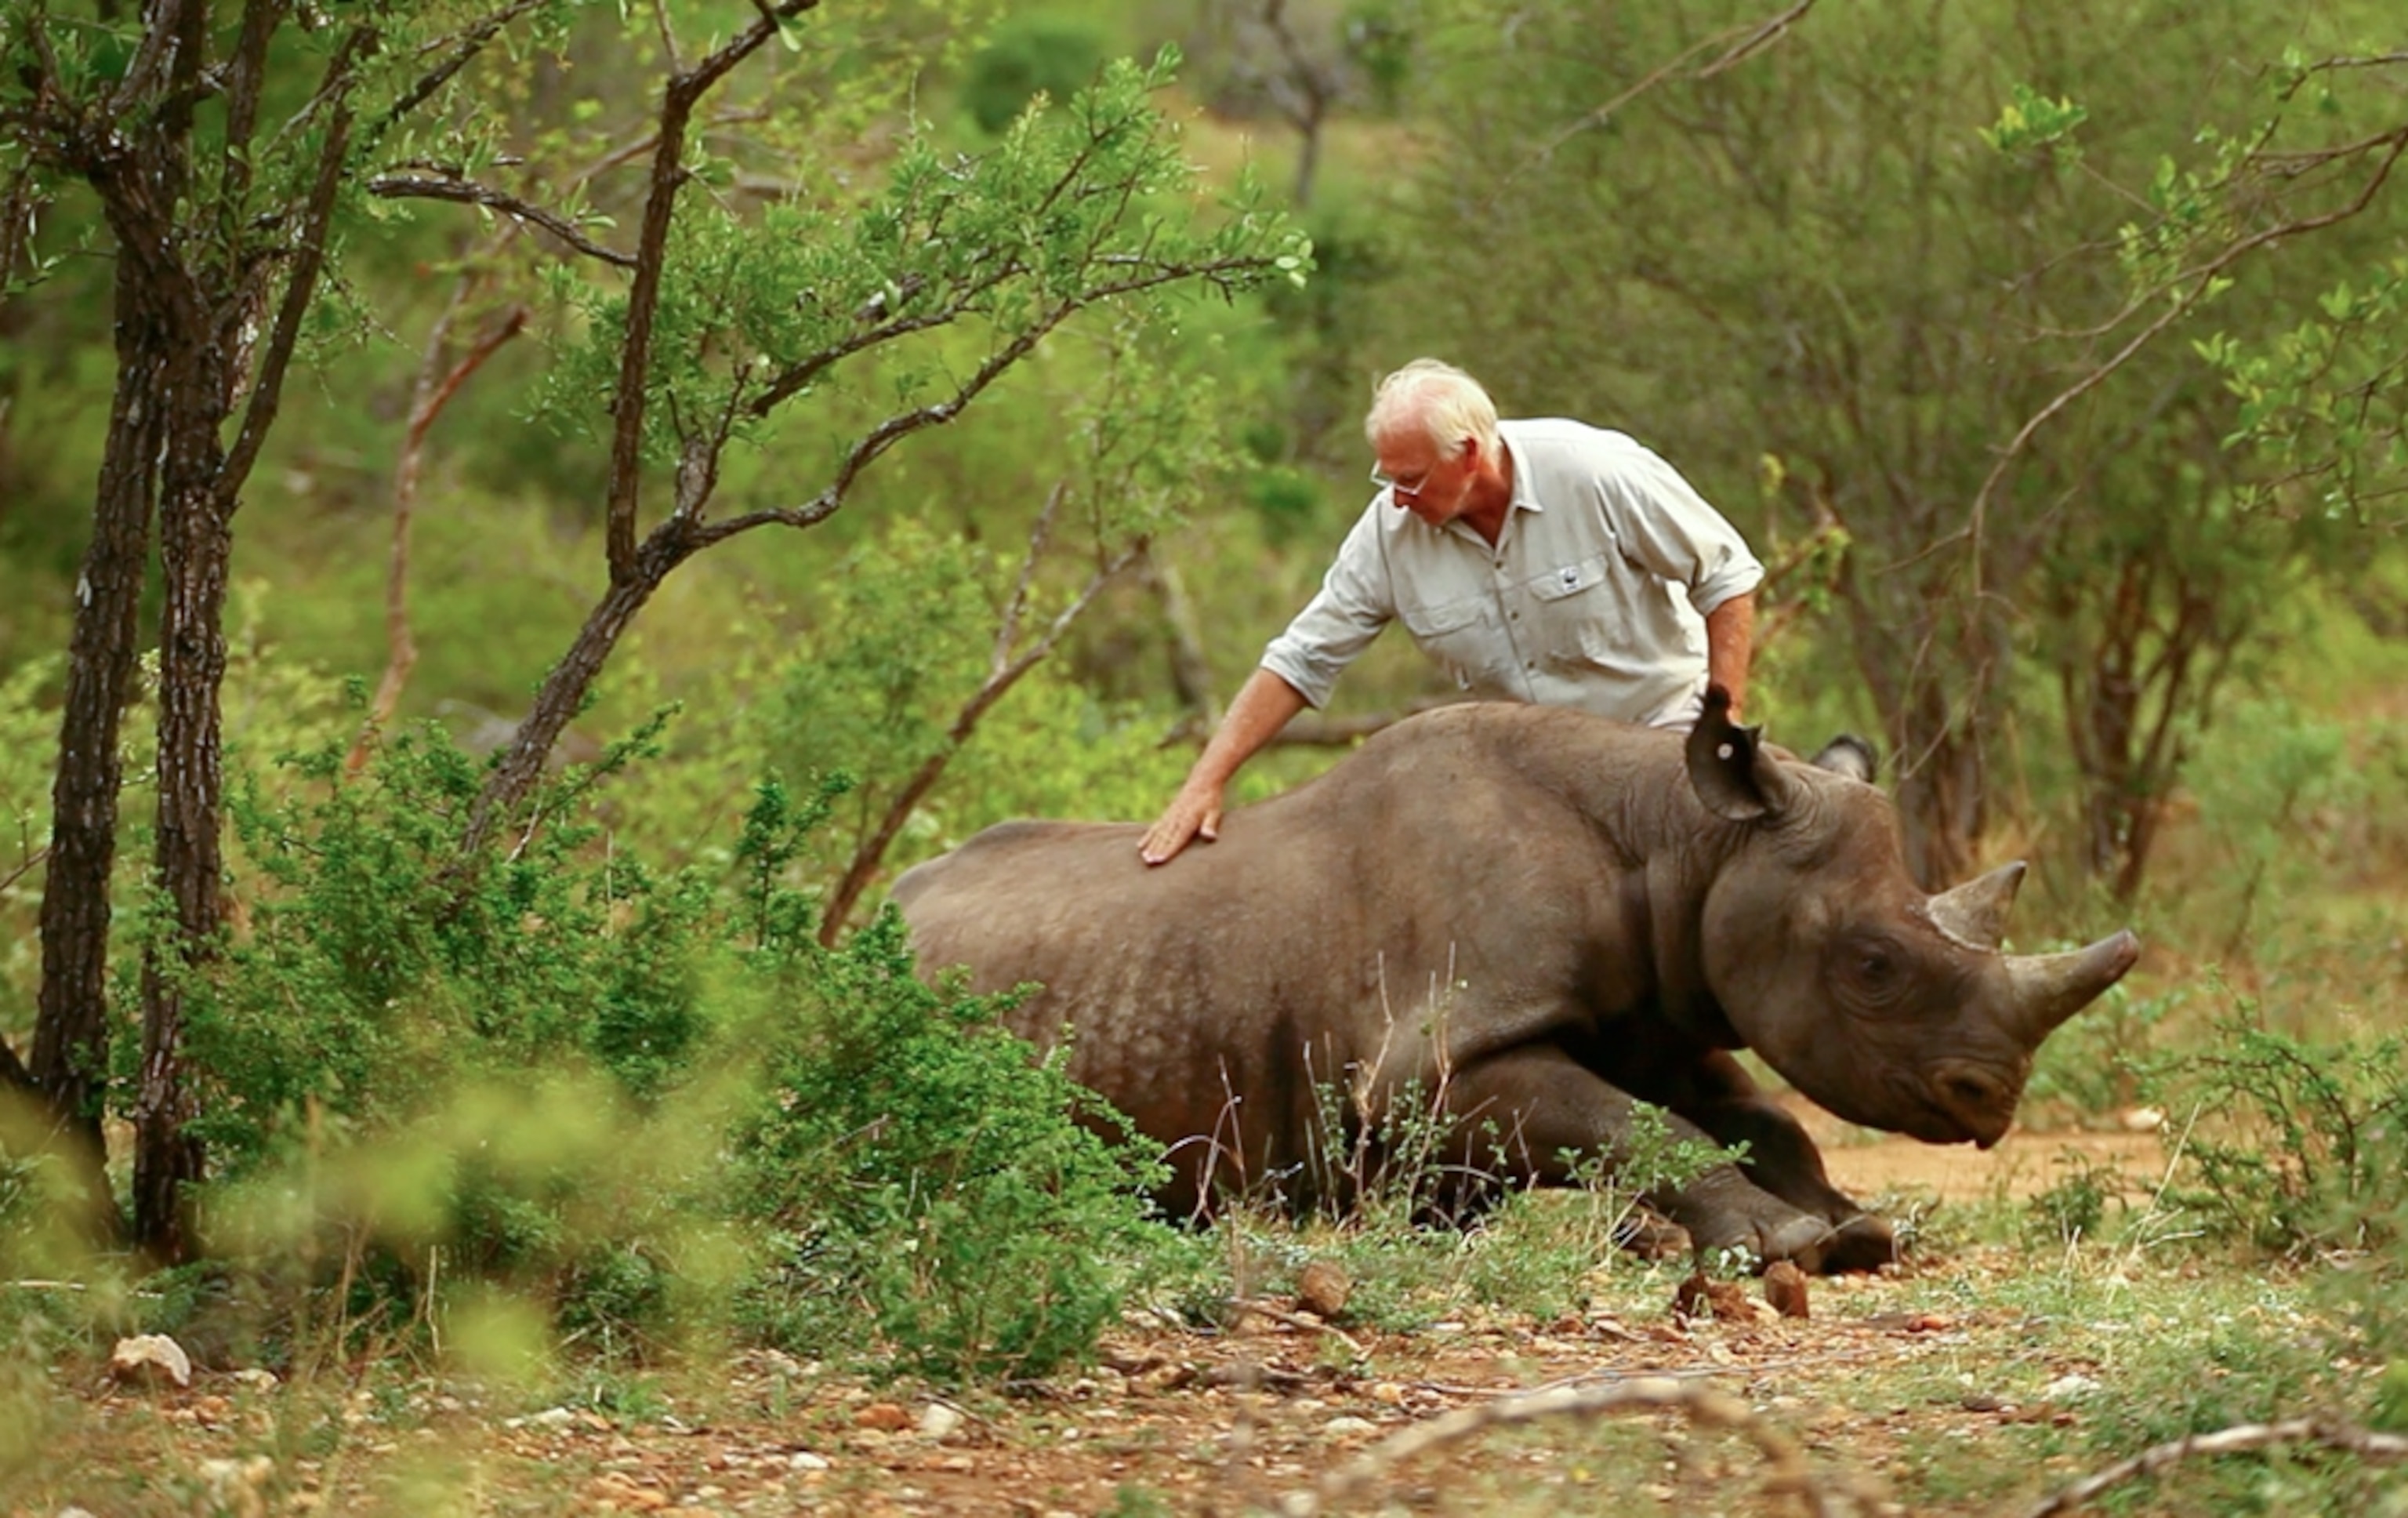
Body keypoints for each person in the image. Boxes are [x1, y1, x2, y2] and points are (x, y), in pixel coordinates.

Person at [1139, 358, 1764, 865]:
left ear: (1468, 454)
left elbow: (1726, 576)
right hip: (1534, 790)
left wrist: (1724, 720)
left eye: (1409, 478)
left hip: (1660, 746)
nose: (1398, 498)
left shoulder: (1595, 471)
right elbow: (1303, 658)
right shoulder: (1389, 531)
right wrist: (1206, 780)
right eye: (1386, 480)